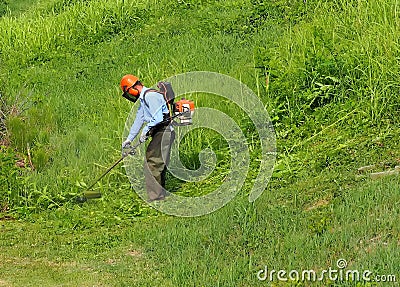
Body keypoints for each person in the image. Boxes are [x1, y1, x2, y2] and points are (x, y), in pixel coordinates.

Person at [120, 74, 175, 202]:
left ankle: (156, 197)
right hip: (159, 132)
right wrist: (129, 138)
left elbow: (158, 118)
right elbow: (139, 120)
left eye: (128, 92)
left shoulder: (151, 96)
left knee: (152, 163)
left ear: (132, 88)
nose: (131, 95)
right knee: (156, 162)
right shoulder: (144, 99)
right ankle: (159, 194)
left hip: (164, 131)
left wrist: (145, 132)